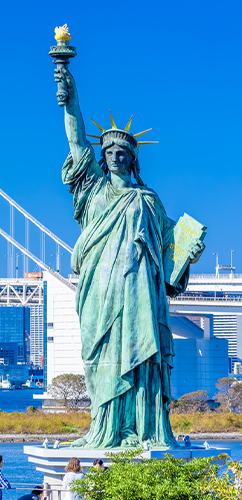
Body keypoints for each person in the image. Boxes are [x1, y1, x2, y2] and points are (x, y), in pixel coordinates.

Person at [54, 55, 204, 449]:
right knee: (101, 358)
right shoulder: (92, 190)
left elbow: (173, 249)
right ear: (101, 159)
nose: (115, 157)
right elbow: (75, 137)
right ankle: (104, 428)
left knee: (142, 358)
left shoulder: (148, 201)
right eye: (109, 153)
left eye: (123, 153)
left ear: (132, 159)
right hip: (100, 289)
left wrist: (192, 250)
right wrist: (69, 91)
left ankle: (144, 427)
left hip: (139, 290)